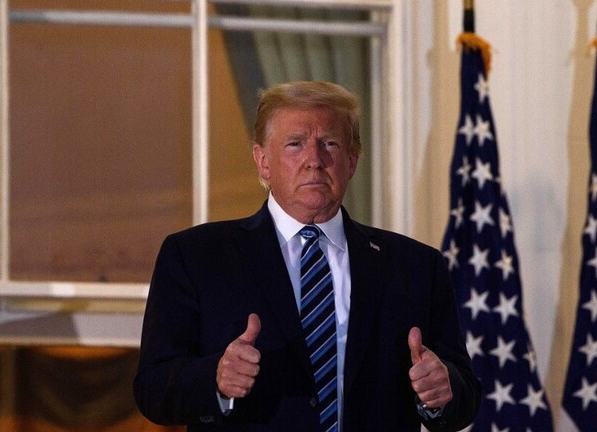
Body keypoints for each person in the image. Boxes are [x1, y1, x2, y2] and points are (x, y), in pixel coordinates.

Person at [133, 81, 480, 432]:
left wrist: (441, 391)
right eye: (295, 144)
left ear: (352, 162)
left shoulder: (416, 266)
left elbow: (465, 396)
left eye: (330, 143)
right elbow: (152, 387)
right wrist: (216, 379)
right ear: (263, 161)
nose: (314, 160)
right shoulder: (197, 257)